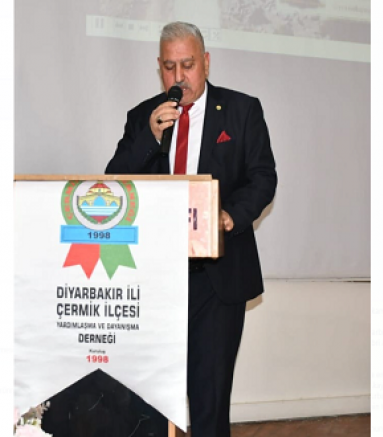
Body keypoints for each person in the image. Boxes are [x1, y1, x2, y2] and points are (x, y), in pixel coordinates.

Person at [106, 21, 277, 437]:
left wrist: (230, 216)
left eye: (188, 65)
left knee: (209, 397)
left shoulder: (241, 110)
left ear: (206, 62)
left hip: (216, 279)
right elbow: (114, 184)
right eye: (170, 67)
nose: (179, 76)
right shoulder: (144, 117)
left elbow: (262, 177)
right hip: (156, 279)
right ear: (159, 67)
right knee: (149, 397)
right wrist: (150, 136)